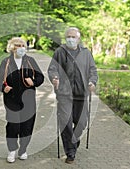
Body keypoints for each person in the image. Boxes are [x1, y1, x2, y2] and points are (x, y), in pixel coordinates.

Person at [48, 27, 98, 164]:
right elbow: (52, 68)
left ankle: (73, 141)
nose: (70, 39)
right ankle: (70, 152)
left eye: (73, 37)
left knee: (81, 123)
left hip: (81, 94)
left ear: (78, 38)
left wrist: (92, 81)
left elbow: (93, 70)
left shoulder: (86, 53)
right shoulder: (60, 52)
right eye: (68, 36)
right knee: (66, 122)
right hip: (64, 94)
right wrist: (54, 78)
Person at [0, 37, 44, 163]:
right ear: (12, 47)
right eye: (18, 45)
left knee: (27, 126)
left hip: (28, 99)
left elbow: (40, 76)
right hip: (11, 99)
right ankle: (12, 150)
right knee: (13, 125)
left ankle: (23, 149)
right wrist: (3, 87)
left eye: (23, 45)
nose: (21, 47)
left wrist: (33, 81)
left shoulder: (30, 61)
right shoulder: (6, 62)